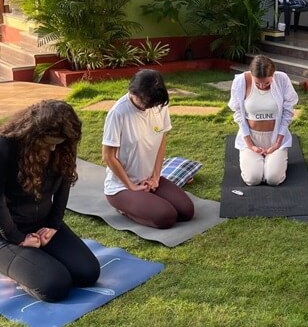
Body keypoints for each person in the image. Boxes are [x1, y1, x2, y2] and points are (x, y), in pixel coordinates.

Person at [0, 100, 100, 302]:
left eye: (58, 143)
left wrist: (53, 225)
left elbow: (64, 185)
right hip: (5, 231)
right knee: (55, 285)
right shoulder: (5, 146)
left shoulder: (64, 145)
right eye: (48, 142)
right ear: (33, 134)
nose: (54, 148)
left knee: (88, 272)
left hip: (42, 223)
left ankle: (32, 261)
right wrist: (18, 238)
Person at [102, 69, 194, 229]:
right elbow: (108, 157)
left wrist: (156, 177)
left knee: (186, 211)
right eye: (145, 102)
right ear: (133, 92)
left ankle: (147, 200)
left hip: (149, 180)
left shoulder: (158, 105)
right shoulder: (118, 113)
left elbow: (161, 139)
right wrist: (131, 186)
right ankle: (124, 208)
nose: (148, 107)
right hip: (122, 187)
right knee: (166, 217)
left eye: (152, 104)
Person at [228, 55, 298, 186]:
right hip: (252, 137)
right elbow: (238, 114)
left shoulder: (282, 79)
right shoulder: (241, 81)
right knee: (253, 179)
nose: (262, 86)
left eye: (267, 83)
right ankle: (256, 161)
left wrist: (277, 143)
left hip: (275, 137)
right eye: (258, 83)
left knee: (273, 179)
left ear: (273, 75)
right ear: (251, 74)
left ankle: (274, 160)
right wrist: (250, 145)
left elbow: (288, 112)